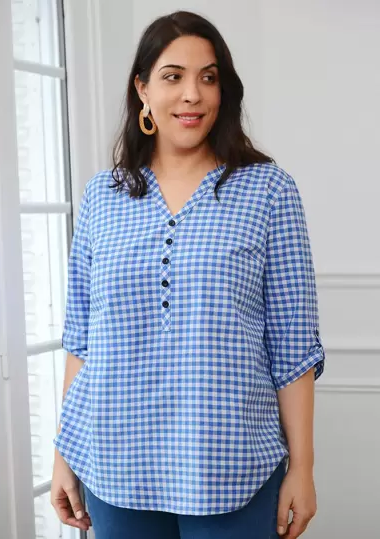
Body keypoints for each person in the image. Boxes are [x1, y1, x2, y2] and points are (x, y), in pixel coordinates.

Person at [51, 10, 325, 539]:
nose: (192, 94)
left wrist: (303, 468)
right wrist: (65, 455)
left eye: (208, 77)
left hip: (232, 468)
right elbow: (81, 342)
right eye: (173, 76)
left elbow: (293, 348)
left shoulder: (269, 191)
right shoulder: (101, 197)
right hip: (113, 465)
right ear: (143, 89)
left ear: (224, 90)